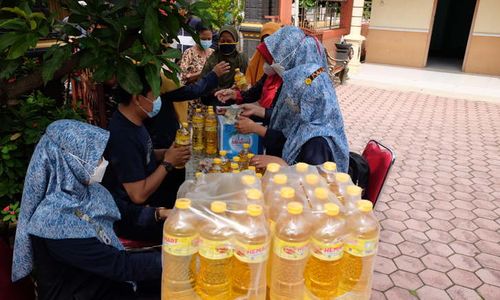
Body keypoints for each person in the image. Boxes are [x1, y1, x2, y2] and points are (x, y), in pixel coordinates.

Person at [12, 120, 163, 299]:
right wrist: (174, 259)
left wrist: (160, 214)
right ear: (70, 162)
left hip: (108, 282)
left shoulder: (87, 192)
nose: (103, 162)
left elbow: (123, 214)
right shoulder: (53, 222)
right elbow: (119, 266)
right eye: (95, 158)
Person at [103, 68, 191, 212]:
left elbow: (142, 154)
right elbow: (138, 195)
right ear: (137, 98)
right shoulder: (123, 137)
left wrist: (165, 153)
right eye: (155, 96)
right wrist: (168, 163)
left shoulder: (135, 120)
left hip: (154, 195)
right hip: (138, 216)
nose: (158, 101)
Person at [248, 63, 350, 172]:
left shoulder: (318, 142)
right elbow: (287, 141)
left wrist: (281, 164)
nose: (291, 101)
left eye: (295, 97)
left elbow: (313, 182)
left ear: (309, 100)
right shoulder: (310, 120)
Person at [200, 25, 248, 105]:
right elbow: (202, 83)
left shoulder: (241, 59)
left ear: (235, 41)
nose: (225, 43)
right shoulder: (213, 58)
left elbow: (248, 83)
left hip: (235, 102)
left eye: (229, 41)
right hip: (213, 101)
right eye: (222, 41)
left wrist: (236, 88)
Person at [245, 22, 281, 86]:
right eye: (264, 41)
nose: (267, 45)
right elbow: (248, 79)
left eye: (270, 40)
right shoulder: (258, 55)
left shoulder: (284, 59)